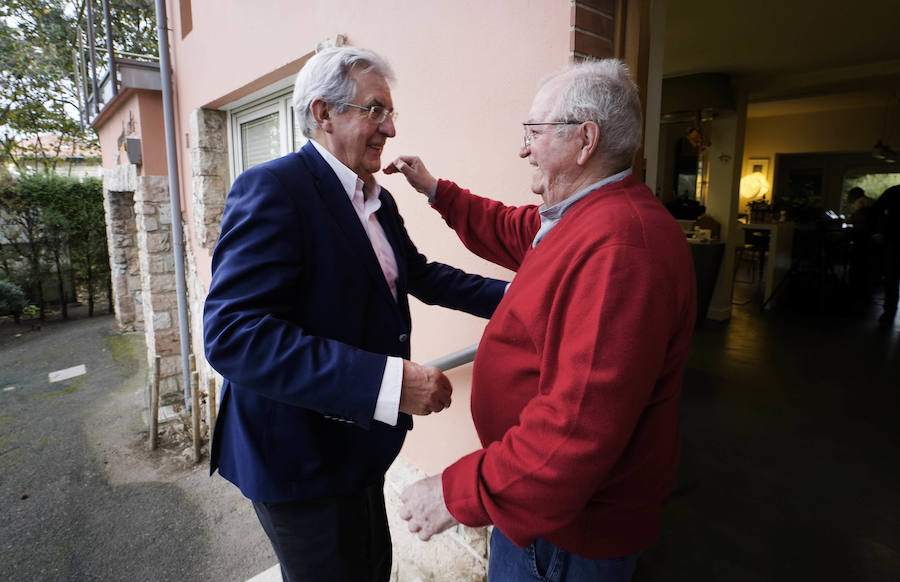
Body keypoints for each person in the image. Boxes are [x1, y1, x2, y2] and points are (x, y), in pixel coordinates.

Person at [203, 47, 507, 582]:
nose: (389, 128)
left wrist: (523, 299)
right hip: (295, 456)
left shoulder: (376, 199)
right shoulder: (274, 189)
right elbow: (234, 335)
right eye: (375, 110)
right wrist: (390, 384)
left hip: (358, 441)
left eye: (390, 114)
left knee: (372, 570)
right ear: (323, 114)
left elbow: (421, 274)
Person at [386, 59, 697, 582]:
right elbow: (514, 228)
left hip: (567, 535)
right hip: (540, 509)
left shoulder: (621, 250)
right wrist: (437, 191)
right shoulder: (584, 215)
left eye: (533, 132)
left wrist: (454, 491)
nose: (523, 148)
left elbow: (575, 430)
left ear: (585, 139)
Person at [871, 185, 900, 326]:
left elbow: (876, 211)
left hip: (893, 239)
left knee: (892, 278)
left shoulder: (894, 191)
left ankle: (889, 314)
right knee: (891, 278)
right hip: (892, 239)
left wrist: (878, 231)